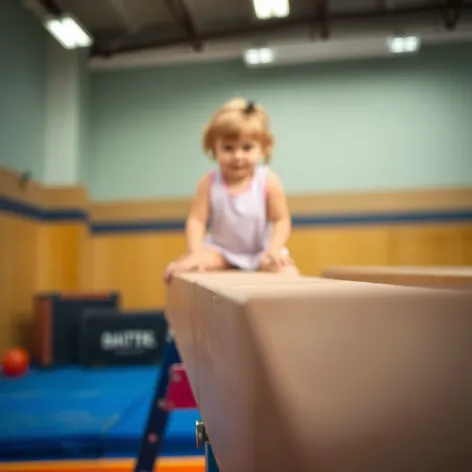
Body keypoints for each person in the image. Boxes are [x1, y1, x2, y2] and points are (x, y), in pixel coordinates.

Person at [163, 97, 299, 283]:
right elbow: (197, 220)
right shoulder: (209, 183)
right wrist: (194, 253)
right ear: (214, 147)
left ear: (262, 148)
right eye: (228, 148)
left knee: (288, 274)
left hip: (262, 250)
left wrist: (275, 248)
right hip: (221, 252)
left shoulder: (268, 180)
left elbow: (281, 219)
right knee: (190, 267)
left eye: (247, 148)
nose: (237, 156)